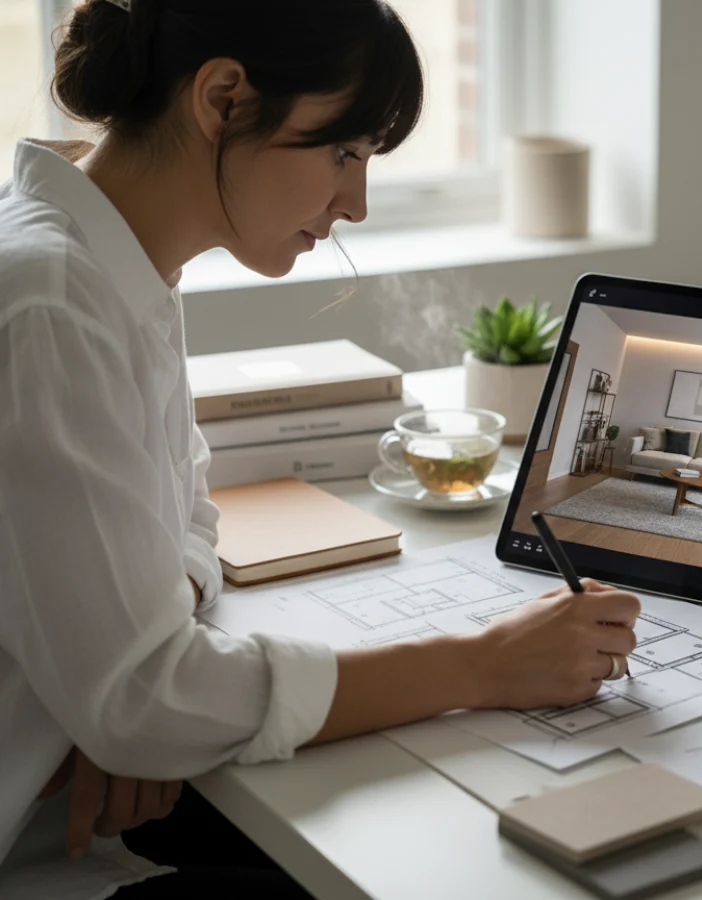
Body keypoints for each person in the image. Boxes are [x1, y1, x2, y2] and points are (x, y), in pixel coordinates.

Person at [0, 2, 640, 898]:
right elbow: (144, 701)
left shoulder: (124, 264)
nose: (357, 204)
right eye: (343, 152)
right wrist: (482, 665)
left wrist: (116, 685)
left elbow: (189, 516)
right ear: (222, 99)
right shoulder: (52, 302)